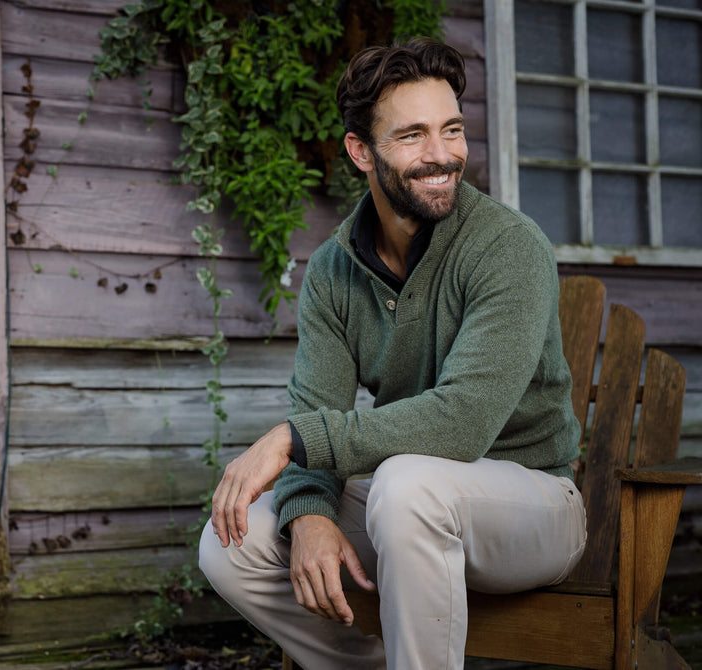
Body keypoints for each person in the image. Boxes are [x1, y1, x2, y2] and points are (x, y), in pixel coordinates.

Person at [198, 37, 587, 670]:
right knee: (231, 545)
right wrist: (307, 515)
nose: (442, 156)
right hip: (411, 502)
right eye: (412, 136)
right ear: (360, 151)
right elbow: (318, 405)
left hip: (534, 505)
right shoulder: (332, 270)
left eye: (452, 129)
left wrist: (293, 440)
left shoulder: (508, 247)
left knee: (406, 484)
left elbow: (462, 422)